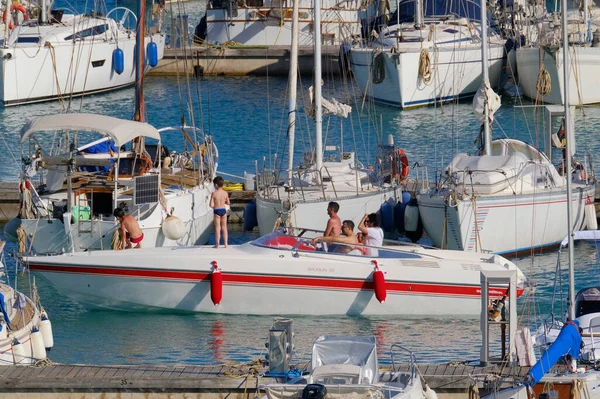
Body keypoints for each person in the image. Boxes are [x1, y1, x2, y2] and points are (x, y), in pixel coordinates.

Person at [210, 176, 230, 248]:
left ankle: (217, 244)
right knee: (224, 227)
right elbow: (228, 202)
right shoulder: (225, 193)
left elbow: (211, 204)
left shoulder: (214, 194)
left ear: (216, 185)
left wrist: (214, 207)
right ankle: (226, 244)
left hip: (217, 210)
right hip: (223, 210)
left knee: (218, 228)